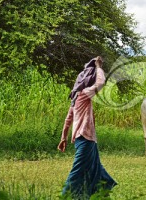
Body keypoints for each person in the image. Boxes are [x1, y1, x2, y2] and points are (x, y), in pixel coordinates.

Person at [57, 56, 117, 199]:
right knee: (77, 172)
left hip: (82, 139)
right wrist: (99, 66)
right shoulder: (84, 94)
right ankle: (65, 196)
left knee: (96, 168)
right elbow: (101, 83)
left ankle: (102, 194)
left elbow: (68, 120)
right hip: (85, 138)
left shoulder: (75, 97)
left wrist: (63, 138)